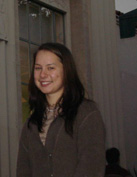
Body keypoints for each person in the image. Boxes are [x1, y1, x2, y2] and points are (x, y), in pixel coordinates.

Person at [16, 42, 105, 177]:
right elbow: (23, 170)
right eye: (38, 68)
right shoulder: (31, 123)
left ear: (67, 70)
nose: (43, 75)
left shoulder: (86, 113)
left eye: (51, 68)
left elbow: (91, 167)